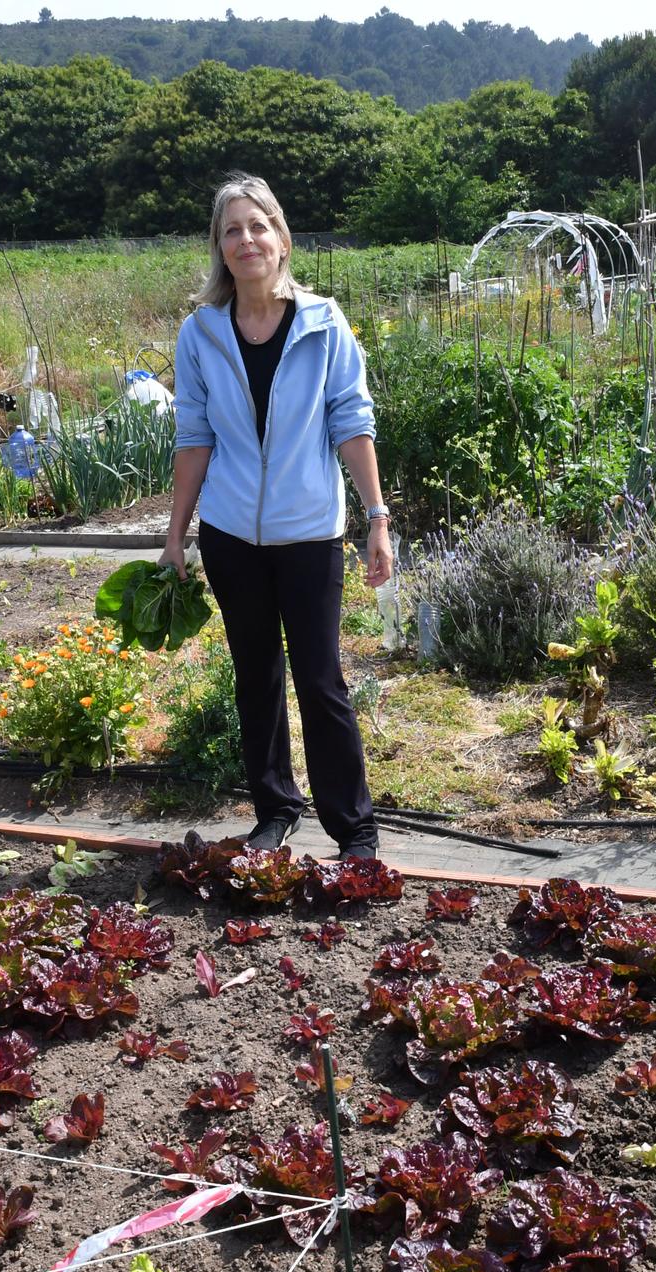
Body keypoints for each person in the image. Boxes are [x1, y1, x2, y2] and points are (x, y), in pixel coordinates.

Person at [162, 174, 392, 859]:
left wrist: (376, 516)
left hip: (309, 534)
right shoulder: (201, 333)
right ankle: (275, 809)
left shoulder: (323, 322)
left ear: (282, 238)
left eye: (257, 226)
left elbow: (352, 421)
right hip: (233, 536)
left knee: (321, 679)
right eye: (231, 230)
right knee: (254, 675)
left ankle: (355, 828)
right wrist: (176, 535)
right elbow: (193, 437)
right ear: (220, 248)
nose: (246, 240)